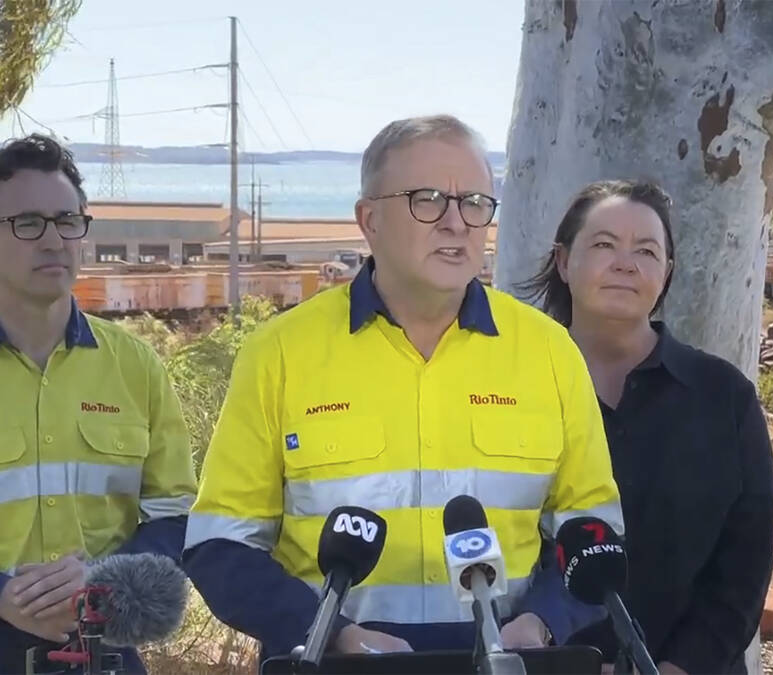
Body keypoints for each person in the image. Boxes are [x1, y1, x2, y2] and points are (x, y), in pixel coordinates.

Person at [182, 114, 623, 662]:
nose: (456, 222)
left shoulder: (549, 352)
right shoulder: (279, 354)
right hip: (335, 663)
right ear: (369, 220)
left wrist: (542, 622)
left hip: (507, 660)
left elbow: (595, 530)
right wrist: (330, 632)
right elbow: (220, 545)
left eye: (475, 203)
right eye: (429, 199)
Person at [0, 134, 198, 674]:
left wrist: (102, 590)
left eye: (68, 220)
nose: (53, 240)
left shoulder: (136, 368)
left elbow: (176, 517)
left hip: (107, 659)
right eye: (27, 223)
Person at [517, 180, 773, 675]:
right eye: (603, 245)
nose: (625, 263)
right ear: (562, 261)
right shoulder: (508, 394)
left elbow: (745, 565)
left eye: (646, 250)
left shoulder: (723, 396)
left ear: (667, 272)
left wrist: (679, 667)